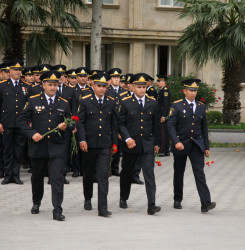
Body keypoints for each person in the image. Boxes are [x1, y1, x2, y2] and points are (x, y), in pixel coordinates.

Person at [18, 70, 71, 221]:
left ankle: (57, 209)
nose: (53, 88)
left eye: (55, 85)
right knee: (37, 177)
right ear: (43, 85)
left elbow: (71, 120)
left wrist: (65, 125)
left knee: (57, 177)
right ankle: (36, 202)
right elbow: (21, 120)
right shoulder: (34, 101)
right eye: (50, 84)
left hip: (57, 146)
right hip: (39, 145)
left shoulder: (64, 102)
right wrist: (32, 133)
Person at [167, 78, 216, 213]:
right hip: (181, 144)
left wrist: (206, 147)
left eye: (195, 90)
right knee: (179, 172)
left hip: (197, 145)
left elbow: (204, 128)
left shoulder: (201, 107)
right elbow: (170, 126)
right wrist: (176, 141)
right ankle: (177, 199)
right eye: (190, 90)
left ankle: (205, 202)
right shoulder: (176, 106)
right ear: (184, 91)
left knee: (199, 173)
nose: (193, 93)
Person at [118, 73, 161, 215]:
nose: (142, 90)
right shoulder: (125, 102)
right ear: (133, 87)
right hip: (131, 144)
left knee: (149, 174)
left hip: (147, 144)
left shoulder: (153, 102)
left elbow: (156, 125)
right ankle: (123, 197)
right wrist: (127, 138)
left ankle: (152, 204)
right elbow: (121, 124)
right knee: (127, 172)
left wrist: (156, 143)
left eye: (144, 87)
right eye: (139, 87)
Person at [77, 72, 118, 217]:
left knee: (103, 175)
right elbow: (80, 122)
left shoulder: (111, 101)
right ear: (93, 85)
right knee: (88, 173)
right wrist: (82, 140)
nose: (101, 89)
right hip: (89, 144)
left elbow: (114, 124)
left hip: (105, 144)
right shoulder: (86, 101)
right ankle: (88, 198)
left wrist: (114, 143)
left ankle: (103, 207)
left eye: (104, 86)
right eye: (99, 86)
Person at [0, 60, 30, 184]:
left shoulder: (26, 86)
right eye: (15, 70)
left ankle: (16, 175)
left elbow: (29, 106)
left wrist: (28, 122)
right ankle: (7, 175)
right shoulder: (3, 86)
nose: (18, 72)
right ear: (10, 72)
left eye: (20, 70)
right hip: (7, 123)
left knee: (19, 151)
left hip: (21, 125)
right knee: (8, 150)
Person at [156, 75, 171, 157]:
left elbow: (166, 104)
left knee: (162, 133)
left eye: (159, 81)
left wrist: (164, 116)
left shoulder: (165, 91)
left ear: (163, 82)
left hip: (162, 115)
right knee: (164, 132)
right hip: (161, 114)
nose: (158, 83)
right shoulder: (162, 90)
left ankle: (162, 150)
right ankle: (166, 150)